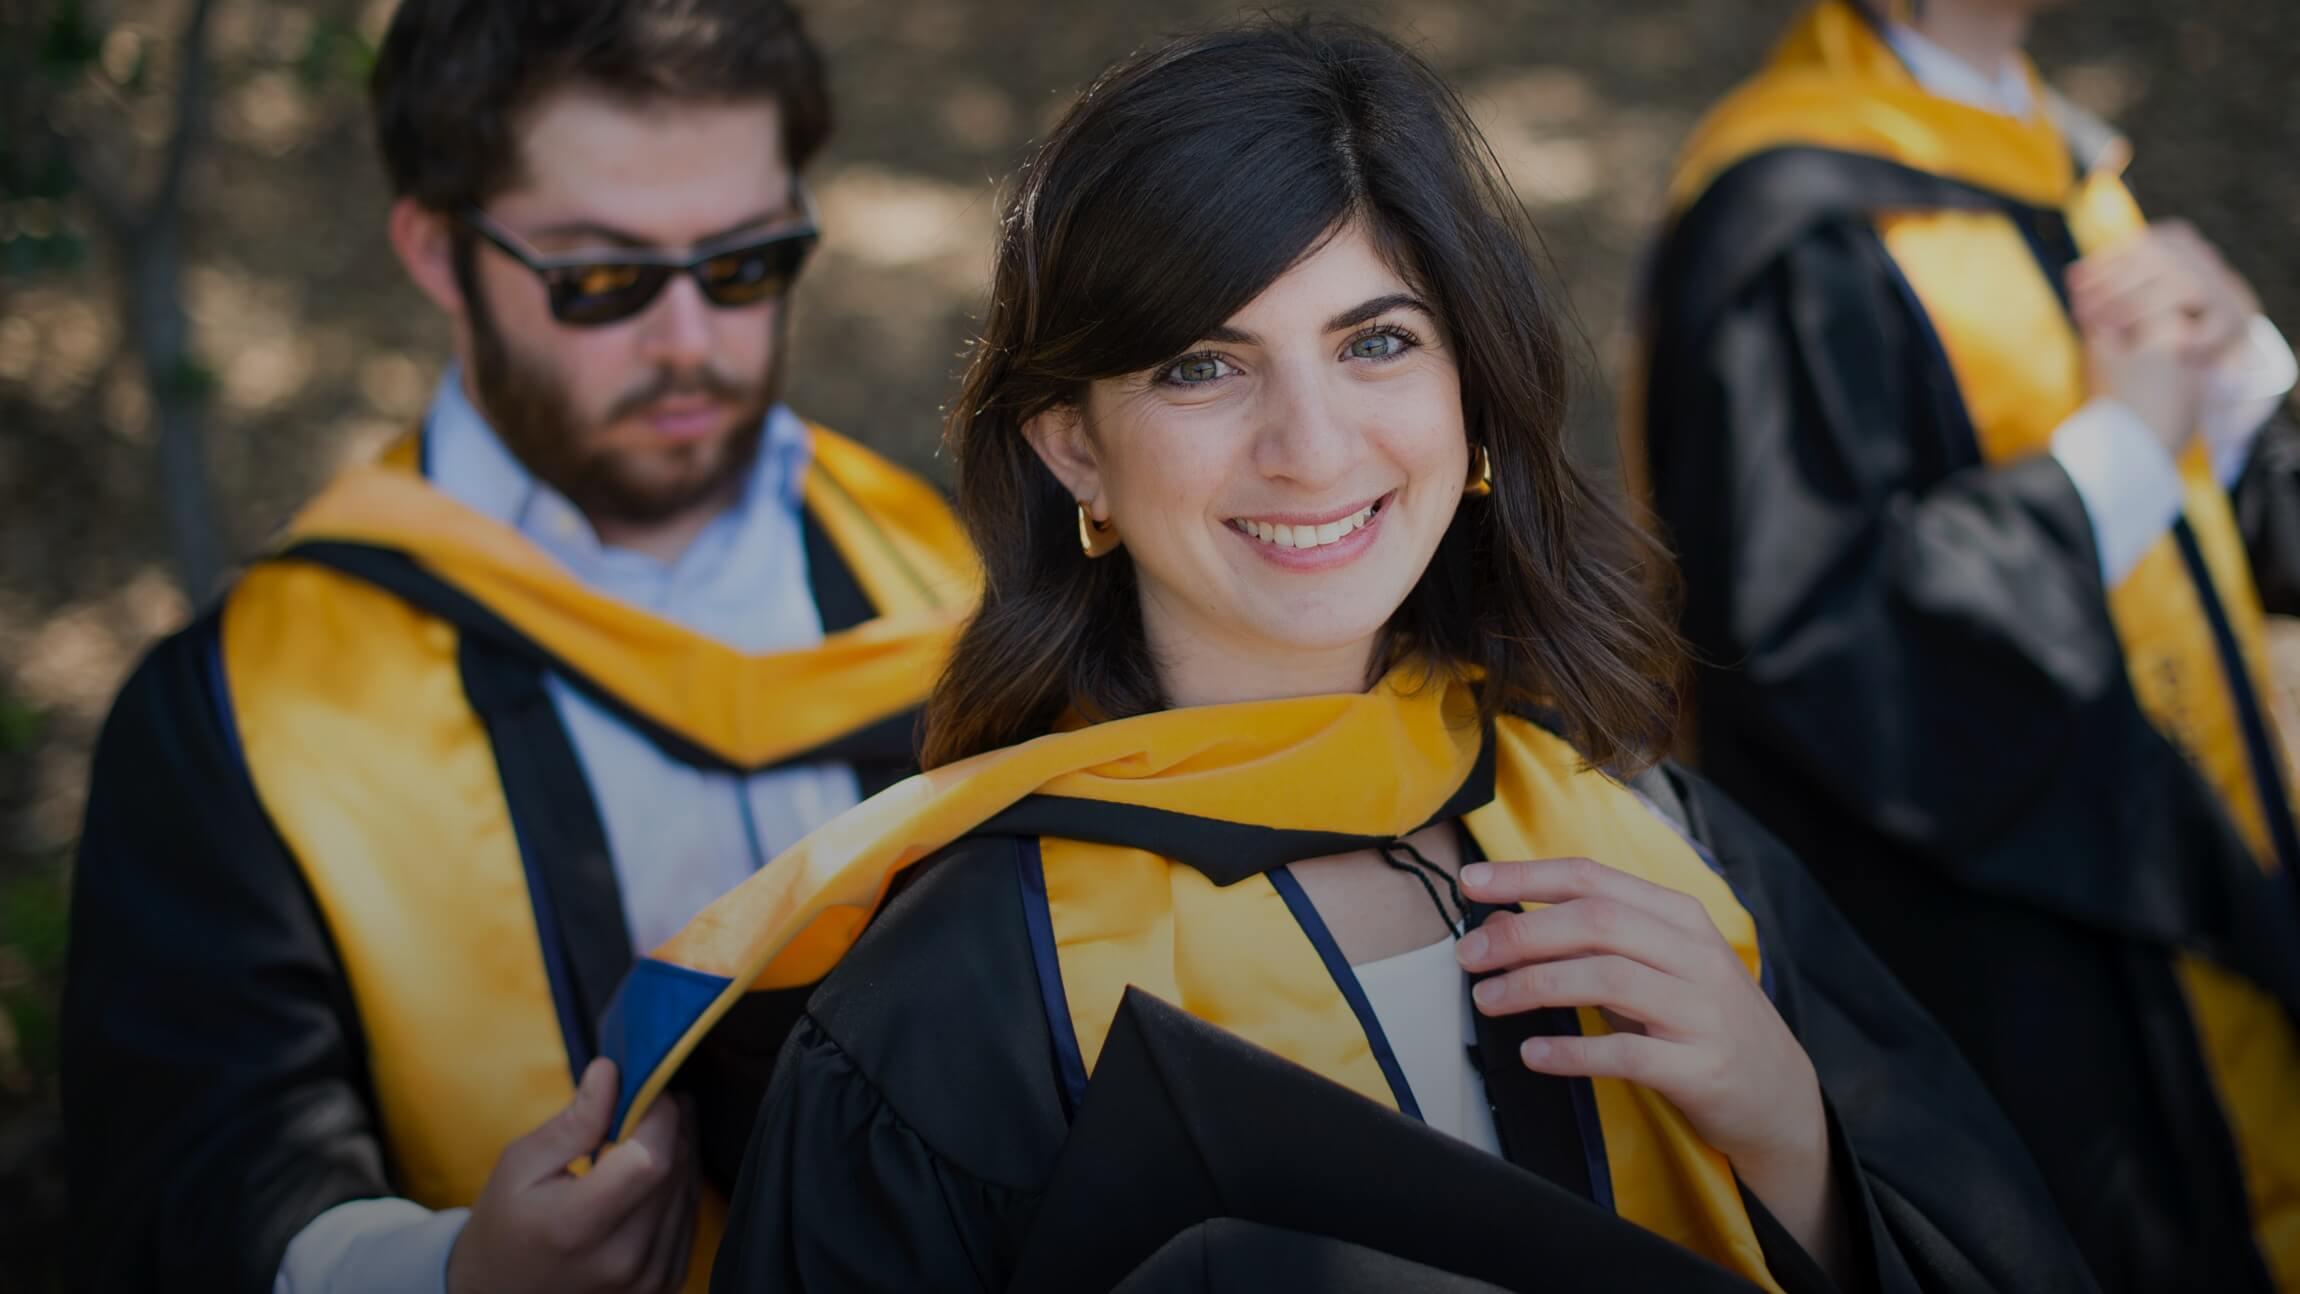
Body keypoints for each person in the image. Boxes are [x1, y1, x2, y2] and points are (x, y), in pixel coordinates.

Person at [595, 20, 2091, 1292]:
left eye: (1378, 341)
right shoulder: (959, 1004)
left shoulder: (1662, 843)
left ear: (1473, 397)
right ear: (1075, 451)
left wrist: (1796, 1141)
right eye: (1202, 366)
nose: (1312, 449)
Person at [59, 2, 973, 1291]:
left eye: (747, 261)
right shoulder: (241, 713)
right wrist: (451, 1275)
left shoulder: (937, 565)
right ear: (437, 251)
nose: (690, 343)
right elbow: (189, 1185)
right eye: (602, 279)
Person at [1631, 1, 2300, 1290]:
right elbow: (1811, 645)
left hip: (2194, 877)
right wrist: (2120, 455)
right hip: (2024, 972)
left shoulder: (2054, 156)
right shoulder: (1794, 220)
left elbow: (2243, 537)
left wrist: (2242, 372)